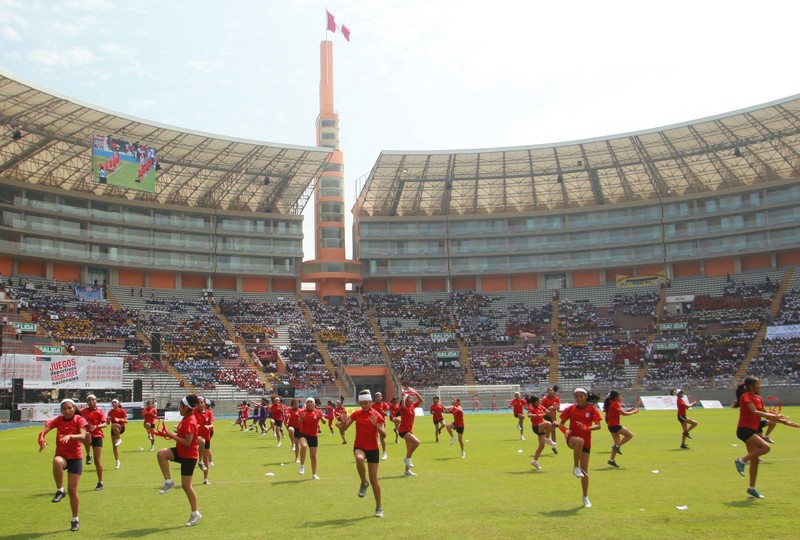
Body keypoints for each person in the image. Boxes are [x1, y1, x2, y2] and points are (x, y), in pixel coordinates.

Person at [733, 376, 788, 499]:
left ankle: (752, 488)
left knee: (755, 460)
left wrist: (780, 419)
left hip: (753, 429)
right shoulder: (746, 396)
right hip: (744, 430)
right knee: (766, 447)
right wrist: (771, 416)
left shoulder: (758, 398)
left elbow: (766, 415)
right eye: (758, 384)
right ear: (751, 386)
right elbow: (755, 412)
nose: (760, 386)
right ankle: (741, 461)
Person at [38, 399, 88, 532]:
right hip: (62, 456)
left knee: (73, 491)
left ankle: (75, 519)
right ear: (61, 410)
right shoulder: (58, 420)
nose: (67, 411)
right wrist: (41, 439)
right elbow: (44, 430)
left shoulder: (79, 419)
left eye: (69, 408)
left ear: (74, 408)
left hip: (75, 458)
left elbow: (83, 436)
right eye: (64, 409)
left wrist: (71, 436)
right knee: (57, 461)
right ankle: (60, 490)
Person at [156, 394, 202, 526]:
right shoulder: (185, 418)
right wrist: (168, 434)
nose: (179, 407)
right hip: (181, 452)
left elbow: (187, 442)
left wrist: (171, 435)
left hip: (189, 456)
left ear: (186, 407)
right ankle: (168, 481)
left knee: (186, 486)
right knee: (161, 454)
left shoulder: (190, 421)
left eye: (181, 405)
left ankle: (195, 513)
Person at [340, 389, 387, 518]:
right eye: (362, 403)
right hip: (359, 446)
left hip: (373, 448)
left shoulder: (377, 415)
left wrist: (376, 425)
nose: (364, 406)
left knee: (374, 480)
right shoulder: (357, 414)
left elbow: (384, 435)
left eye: (366, 403)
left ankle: (379, 507)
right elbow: (344, 429)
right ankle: (363, 482)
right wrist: (343, 422)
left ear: (371, 402)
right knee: (359, 459)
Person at [558, 388, 602, 508]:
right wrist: (565, 430)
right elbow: (560, 424)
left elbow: (598, 426)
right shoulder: (571, 409)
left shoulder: (592, 409)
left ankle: (585, 497)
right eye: (576, 396)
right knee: (579, 441)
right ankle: (575, 467)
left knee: (585, 473)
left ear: (586, 396)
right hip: (572, 439)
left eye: (581, 396)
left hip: (586, 443)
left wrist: (587, 428)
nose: (578, 398)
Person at [603, 390, 639, 467]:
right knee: (629, 435)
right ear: (616, 398)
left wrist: (631, 410)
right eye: (619, 396)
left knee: (616, 443)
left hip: (610, 426)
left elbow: (620, 413)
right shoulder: (615, 404)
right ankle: (617, 446)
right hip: (615, 425)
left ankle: (611, 460)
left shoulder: (611, 404)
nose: (621, 397)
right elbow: (624, 413)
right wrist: (633, 412)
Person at [80, 394, 107, 490]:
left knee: (98, 460)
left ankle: (100, 482)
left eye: (93, 400)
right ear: (87, 402)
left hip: (97, 435)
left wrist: (96, 426)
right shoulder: (83, 412)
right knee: (87, 435)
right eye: (89, 400)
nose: (91, 402)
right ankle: (88, 454)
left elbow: (105, 424)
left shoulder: (100, 411)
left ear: (96, 401)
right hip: (87, 435)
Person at [297, 397, 326, 480]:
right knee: (303, 446)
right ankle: (302, 466)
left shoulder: (318, 412)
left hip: (313, 436)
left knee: (313, 456)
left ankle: (314, 474)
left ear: (314, 404)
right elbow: (298, 422)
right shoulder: (302, 412)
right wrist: (301, 418)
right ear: (306, 404)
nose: (310, 403)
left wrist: (321, 417)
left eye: (311, 402)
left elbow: (324, 422)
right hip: (303, 434)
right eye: (308, 402)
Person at [526, 395, 556, 470]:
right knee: (549, 423)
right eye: (537, 401)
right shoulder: (531, 407)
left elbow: (548, 413)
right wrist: (538, 415)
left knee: (542, 446)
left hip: (541, 427)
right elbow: (529, 415)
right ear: (534, 402)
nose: (539, 402)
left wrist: (554, 409)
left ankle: (534, 461)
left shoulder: (540, 406)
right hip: (536, 427)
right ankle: (548, 438)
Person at [398, 389, 423, 476]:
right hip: (403, 431)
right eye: (410, 398)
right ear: (406, 399)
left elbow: (421, 400)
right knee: (417, 442)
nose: (411, 399)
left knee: (409, 450)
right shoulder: (403, 408)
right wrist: (403, 395)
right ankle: (406, 458)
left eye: (412, 398)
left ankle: (406, 471)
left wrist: (416, 393)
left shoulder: (412, 406)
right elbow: (403, 405)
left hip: (409, 430)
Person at [194, 397, 214, 484]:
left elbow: (211, 424)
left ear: (205, 404)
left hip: (206, 436)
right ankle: (200, 460)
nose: (200, 404)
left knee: (206, 457)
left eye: (202, 402)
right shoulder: (194, 412)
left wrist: (208, 426)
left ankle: (206, 479)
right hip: (196, 436)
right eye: (199, 403)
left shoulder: (209, 413)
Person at [107, 399, 128, 469]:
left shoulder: (122, 411)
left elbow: (126, 420)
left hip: (121, 427)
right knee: (114, 446)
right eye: (112, 402)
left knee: (114, 425)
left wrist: (119, 420)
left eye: (115, 402)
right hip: (114, 429)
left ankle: (119, 438)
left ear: (118, 404)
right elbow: (107, 423)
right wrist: (108, 420)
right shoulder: (110, 412)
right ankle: (117, 461)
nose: (113, 403)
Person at [371, 392, 390, 460]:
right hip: (374, 424)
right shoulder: (372, 405)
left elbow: (386, 414)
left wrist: (382, 412)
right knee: (372, 439)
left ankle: (384, 453)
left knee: (382, 438)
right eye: (377, 397)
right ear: (375, 398)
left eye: (379, 396)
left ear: (381, 397)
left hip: (382, 423)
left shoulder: (384, 404)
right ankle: (372, 454)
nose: (378, 398)